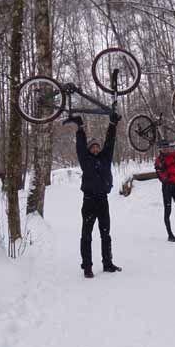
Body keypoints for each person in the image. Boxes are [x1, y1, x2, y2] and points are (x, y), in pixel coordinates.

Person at [66, 113, 123, 278]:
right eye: (93, 147)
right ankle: (87, 266)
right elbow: (80, 146)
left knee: (106, 234)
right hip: (89, 201)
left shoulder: (105, 158)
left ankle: (108, 263)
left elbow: (110, 143)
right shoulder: (85, 160)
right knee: (86, 235)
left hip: (103, 201)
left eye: (97, 146)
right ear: (89, 149)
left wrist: (112, 125)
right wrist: (80, 128)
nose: (96, 149)